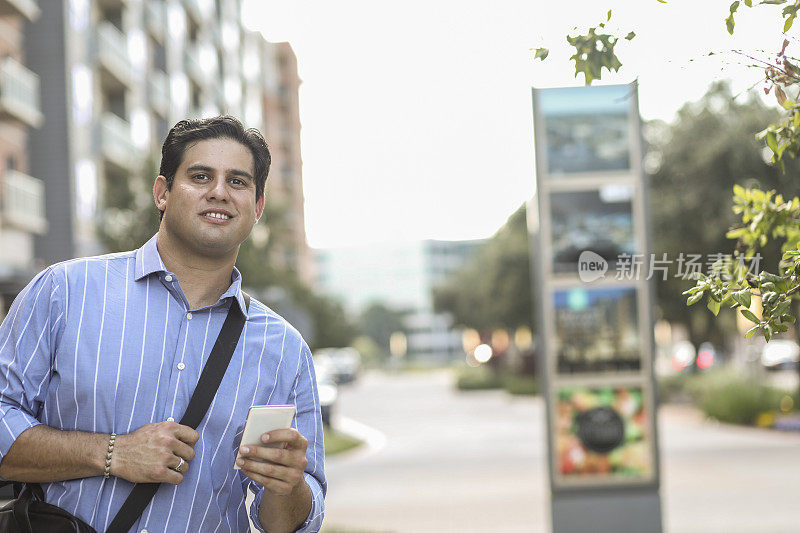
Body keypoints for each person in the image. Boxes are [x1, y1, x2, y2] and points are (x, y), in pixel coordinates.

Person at [0, 116, 326, 532]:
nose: (219, 192)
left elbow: (292, 523)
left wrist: (288, 484)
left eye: (238, 182)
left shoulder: (284, 349)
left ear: (257, 207)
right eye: (201, 175)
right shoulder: (64, 292)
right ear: (162, 192)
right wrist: (112, 452)